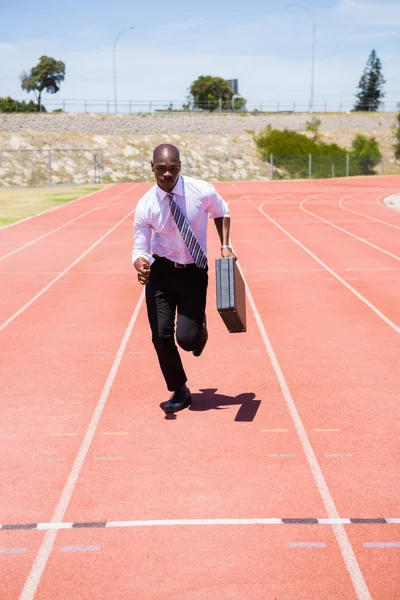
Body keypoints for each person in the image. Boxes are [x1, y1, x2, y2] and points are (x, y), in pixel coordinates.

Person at [132, 143, 236, 413]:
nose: (167, 174)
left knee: (188, 341)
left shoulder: (201, 190)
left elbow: (222, 211)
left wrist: (225, 244)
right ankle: (180, 389)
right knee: (160, 335)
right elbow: (140, 246)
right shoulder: (146, 204)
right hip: (162, 273)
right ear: (152, 168)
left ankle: (198, 329)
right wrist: (141, 263)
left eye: (173, 168)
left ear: (180, 166)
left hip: (193, 272)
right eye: (162, 169)